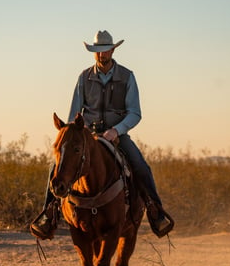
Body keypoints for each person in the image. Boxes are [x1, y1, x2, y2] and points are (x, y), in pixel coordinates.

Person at [30, 30, 174, 239]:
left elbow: (135, 113)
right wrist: (78, 133)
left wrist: (117, 130)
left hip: (117, 134)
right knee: (57, 165)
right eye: (97, 51)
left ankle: (156, 212)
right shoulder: (84, 77)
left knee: (140, 166)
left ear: (113, 50)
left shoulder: (127, 76)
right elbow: (74, 113)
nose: (101, 55)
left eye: (105, 50)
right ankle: (49, 214)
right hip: (87, 135)